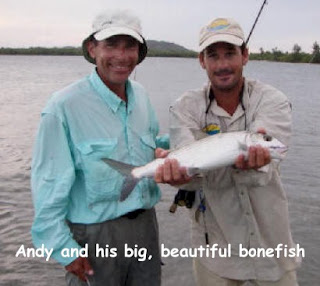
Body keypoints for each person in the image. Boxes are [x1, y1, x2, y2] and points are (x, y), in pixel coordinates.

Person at [155, 18, 300, 285]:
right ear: (202, 61)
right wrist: (178, 177)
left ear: (245, 55)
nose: (222, 65)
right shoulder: (184, 107)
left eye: (230, 53)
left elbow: (270, 161)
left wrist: (256, 162)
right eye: (213, 56)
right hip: (215, 246)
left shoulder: (272, 100)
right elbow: (192, 178)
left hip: (272, 244)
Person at [31, 9, 166, 286]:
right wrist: (63, 250)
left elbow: (153, 148)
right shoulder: (62, 107)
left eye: (130, 46)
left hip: (146, 228)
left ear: (139, 53)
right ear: (92, 49)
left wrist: (179, 151)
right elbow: (48, 188)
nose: (121, 55)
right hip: (93, 236)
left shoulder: (141, 95)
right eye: (111, 45)